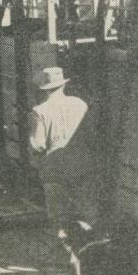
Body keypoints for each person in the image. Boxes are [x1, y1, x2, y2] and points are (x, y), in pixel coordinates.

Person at [27, 66, 96, 230]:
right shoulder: (80, 104)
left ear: (43, 90)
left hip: (54, 172)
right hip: (82, 168)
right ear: (63, 85)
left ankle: (63, 251)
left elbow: (38, 145)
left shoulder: (39, 112)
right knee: (87, 215)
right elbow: (91, 135)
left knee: (59, 220)